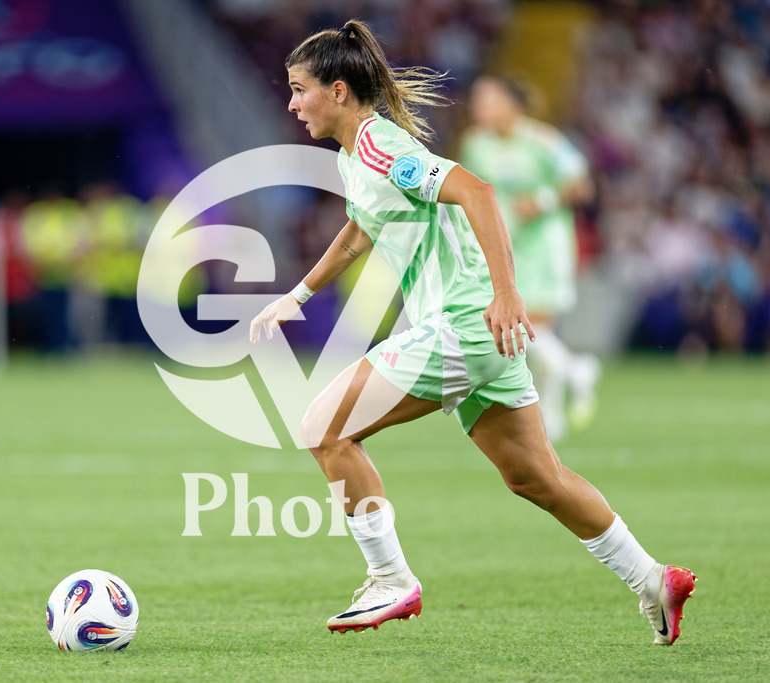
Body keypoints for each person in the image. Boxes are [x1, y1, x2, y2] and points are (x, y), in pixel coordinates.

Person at [249, 19, 695, 644]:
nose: (293, 103)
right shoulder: (358, 158)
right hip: (477, 335)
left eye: (300, 89)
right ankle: (652, 578)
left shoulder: (385, 150)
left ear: (340, 90)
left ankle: (390, 579)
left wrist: (506, 296)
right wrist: (296, 295)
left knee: (323, 428)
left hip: (463, 324)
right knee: (537, 477)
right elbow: (359, 229)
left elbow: (479, 193)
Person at [460, 75, 600, 440]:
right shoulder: (475, 145)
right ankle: (569, 384)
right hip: (505, 246)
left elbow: (582, 184)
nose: (480, 107)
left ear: (512, 103)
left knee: (529, 327)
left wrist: (541, 201)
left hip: (545, 246)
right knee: (526, 332)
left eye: (489, 99)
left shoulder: (543, 141)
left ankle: (561, 395)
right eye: (478, 99)